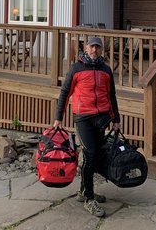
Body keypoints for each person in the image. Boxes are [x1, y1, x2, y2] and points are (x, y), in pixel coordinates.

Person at [53, 36, 121, 218]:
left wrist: (116, 119)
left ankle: (84, 191)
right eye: (92, 47)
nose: (94, 50)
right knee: (89, 155)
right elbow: (65, 92)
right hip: (83, 119)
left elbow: (111, 95)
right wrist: (58, 118)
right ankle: (90, 199)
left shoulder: (106, 70)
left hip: (103, 118)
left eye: (98, 47)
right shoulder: (76, 68)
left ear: (101, 50)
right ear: (86, 47)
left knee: (96, 156)